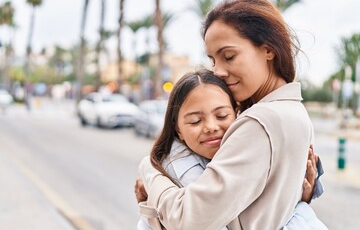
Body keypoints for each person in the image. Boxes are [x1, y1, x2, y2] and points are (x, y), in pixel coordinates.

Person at [137, 0, 326, 229]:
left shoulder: (260, 122)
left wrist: (150, 170)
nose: (218, 71)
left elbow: (188, 218)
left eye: (229, 56)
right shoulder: (295, 111)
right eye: (213, 60)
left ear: (269, 49)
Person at [136, 69, 326, 230]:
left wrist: (298, 194)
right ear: (178, 129)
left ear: (237, 114)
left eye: (221, 115)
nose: (210, 126)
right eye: (195, 121)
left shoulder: (244, 152)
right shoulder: (181, 168)